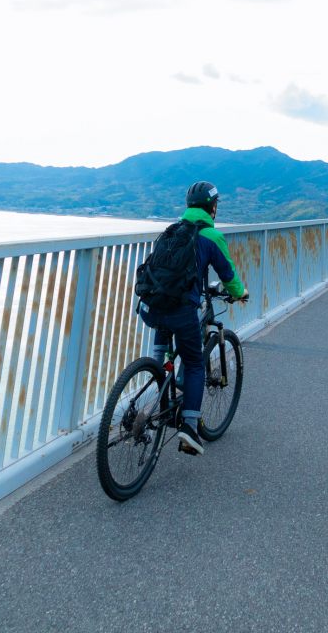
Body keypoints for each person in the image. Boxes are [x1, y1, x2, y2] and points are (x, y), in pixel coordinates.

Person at [137, 181, 246, 455]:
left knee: (163, 353)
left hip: (151, 307)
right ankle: (189, 428)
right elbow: (228, 276)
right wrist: (240, 293)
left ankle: (153, 391)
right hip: (181, 311)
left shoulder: (171, 231)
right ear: (213, 207)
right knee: (196, 363)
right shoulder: (210, 236)